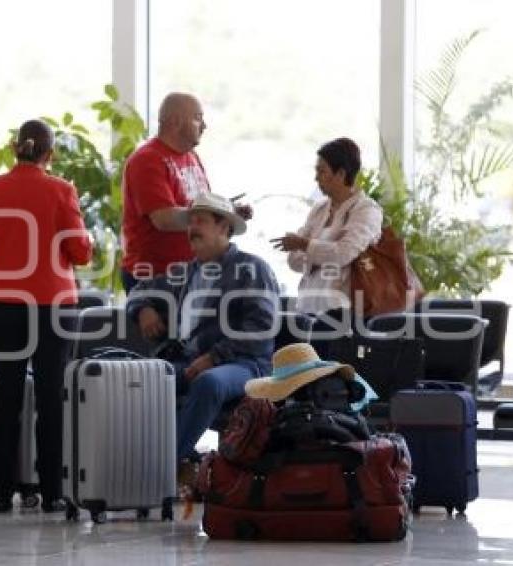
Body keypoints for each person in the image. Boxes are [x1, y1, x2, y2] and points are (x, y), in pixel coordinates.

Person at [0, 119, 92, 513]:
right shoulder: (61, 189)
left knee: (6, 396)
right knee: (52, 397)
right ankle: (52, 491)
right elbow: (81, 253)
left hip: (4, 305)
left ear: (14, 147)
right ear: (50, 154)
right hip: (54, 305)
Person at [127, 192, 278, 474]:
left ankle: (161, 469)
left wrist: (215, 357)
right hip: (189, 360)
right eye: (190, 222)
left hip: (245, 363)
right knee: (141, 380)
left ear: (224, 228)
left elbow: (261, 328)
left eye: (201, 221)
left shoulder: (252, 269)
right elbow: (138, 291)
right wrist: (143, 310)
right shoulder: (183, 273)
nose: (192, 228)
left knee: (209, 383)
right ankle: (132, 461)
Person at [120, 92, 252, 292]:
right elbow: (164, 219)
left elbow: (197, 205)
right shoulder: (147, 159)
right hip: (153, 276)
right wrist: (214, 214)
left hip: (189, 272)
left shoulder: (191, 156)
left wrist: (227, 211)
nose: (204, 126)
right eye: (198, 118)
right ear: (175, 122)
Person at [271, 137, 383, 319]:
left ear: (340, 174)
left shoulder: (366, 210)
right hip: (307, 308)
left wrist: (305, 245)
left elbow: (343, 253)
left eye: (321, 171)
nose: (316, 178)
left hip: (343, 312)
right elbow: (294, 261)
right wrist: (317, 252)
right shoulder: (319, 209)